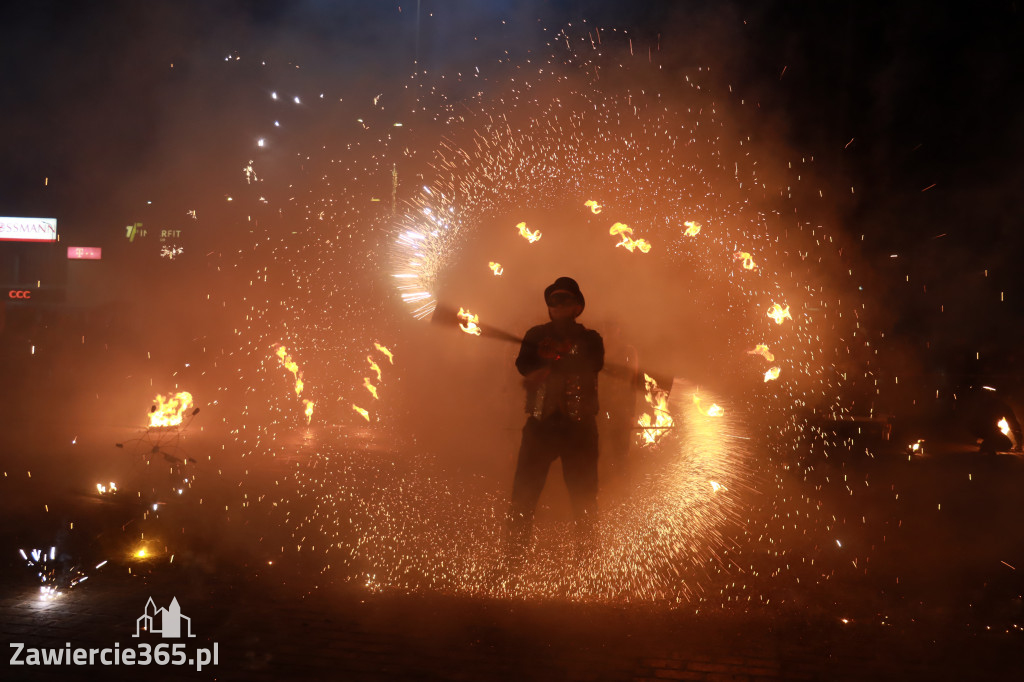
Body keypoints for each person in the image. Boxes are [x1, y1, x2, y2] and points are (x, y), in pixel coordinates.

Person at [507, 277, 604, 557]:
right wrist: (542, 363)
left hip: (580, 429)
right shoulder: (536, 335)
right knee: (522, 496)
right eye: (554, 300)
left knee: (584, 497)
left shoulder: (590, 339)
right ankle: (514, 557)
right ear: (549, 307)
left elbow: (593, 363)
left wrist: (559, 357)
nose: (559, 305)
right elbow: (523, 364)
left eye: (565, 300)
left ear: (577, 307)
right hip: (541, 427)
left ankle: (587, 560)